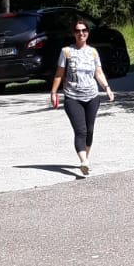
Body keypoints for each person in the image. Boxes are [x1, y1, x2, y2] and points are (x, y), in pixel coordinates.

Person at [50, 18, 114, 176]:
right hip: (73, 97)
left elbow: (98, 73)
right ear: (74, 33)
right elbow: (59, 74)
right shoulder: (66, 52)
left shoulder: (93, 52)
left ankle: (86, 158)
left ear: (88, 32)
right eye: (78, 31)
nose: (81, 33)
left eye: (84, 30)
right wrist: (53, 92)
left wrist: (107, 88)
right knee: (80, 130)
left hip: (92, 96)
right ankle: (83, 161)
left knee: (89, 130)